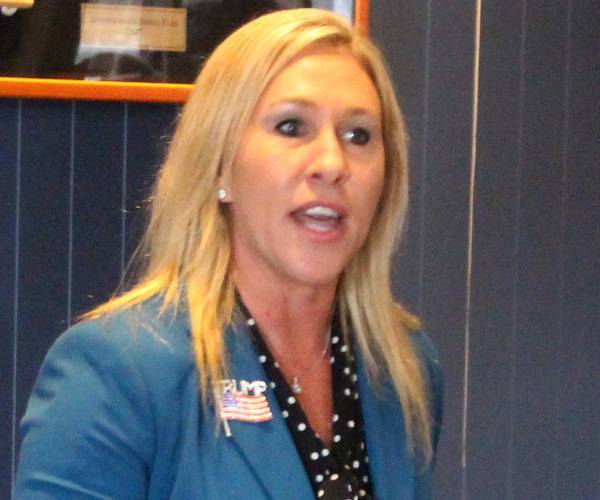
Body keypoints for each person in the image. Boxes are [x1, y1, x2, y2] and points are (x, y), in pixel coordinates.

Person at [15, 8, 443, 499]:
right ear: (219, 164)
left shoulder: (403, 368)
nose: (332, 163)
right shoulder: (117, 371)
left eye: (358, 135)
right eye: (291, 127)